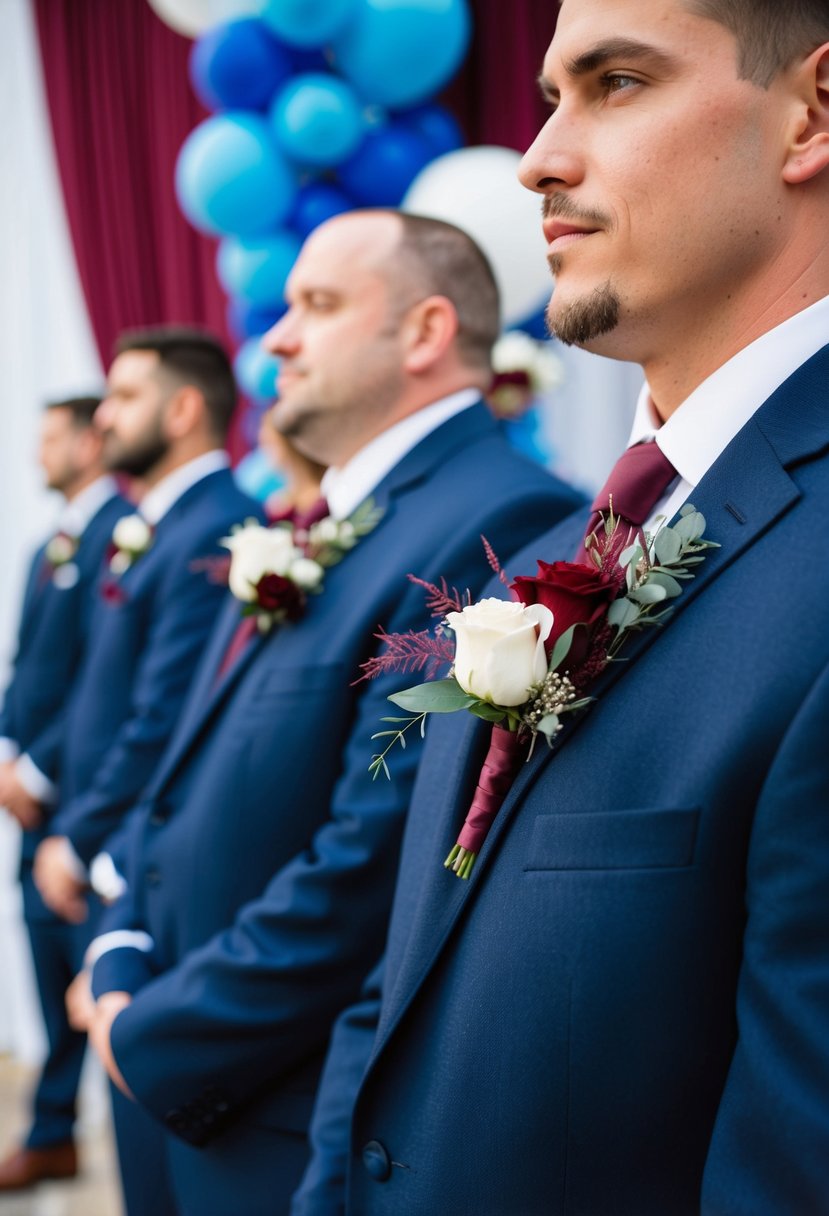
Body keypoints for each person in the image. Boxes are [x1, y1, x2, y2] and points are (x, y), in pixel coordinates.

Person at [290, 3, 829, 1214]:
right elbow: (408, 977)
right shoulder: (535, 558)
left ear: (811, 112)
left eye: (617, 81)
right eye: (547, 97)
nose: (537, 155)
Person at [75, 210, 584, 1216]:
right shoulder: (321, 522)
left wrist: (155, 1033)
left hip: (276, 1108)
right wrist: (118, 937)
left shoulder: (499, 517)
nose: (274, 337)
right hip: (166, 1060)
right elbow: (187, 769)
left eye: (316, 305)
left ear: (425, 331)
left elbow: (379, 857)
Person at [31, 329, 259, 923]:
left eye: (126, 397)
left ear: (183, 409)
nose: (103, 418)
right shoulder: (152, 524)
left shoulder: (216, 525)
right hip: (85, 829)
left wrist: (81, 842)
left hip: (127, 855)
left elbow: (165, 711)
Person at [0, 396, 129, 1192]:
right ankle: (53, 1131)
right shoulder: (52, 542)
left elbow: (101, 678)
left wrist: (37, 770)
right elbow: (29, 667)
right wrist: (6, 757)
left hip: (86, 795)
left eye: (52, 437)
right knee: (45, 964)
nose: (38, 452)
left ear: (91, 440)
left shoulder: (124, 533)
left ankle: (100, 1132)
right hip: (32, 794)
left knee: (95, 973)